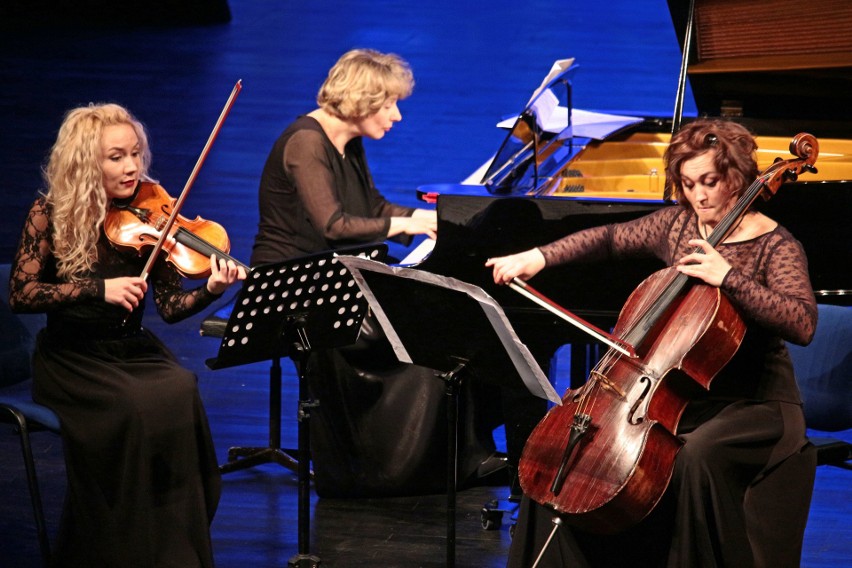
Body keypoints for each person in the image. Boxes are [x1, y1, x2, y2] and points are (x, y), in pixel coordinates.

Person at [487, 118, 818, 567]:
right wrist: (537, 257)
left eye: (710, 182)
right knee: (577, 452)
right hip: (679, 396)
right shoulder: (678, 225)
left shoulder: (776, 245)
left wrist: (730, 278)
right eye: (688, 183)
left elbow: (802, 323)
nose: (699, 196)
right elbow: (607, 239)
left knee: (694, 458)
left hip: (754, 403)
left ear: (737, 178)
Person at [250, 48, 504, 497]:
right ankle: (388, 468)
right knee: (414, 336)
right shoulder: (307, 143)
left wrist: (432, 220)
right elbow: (333, 227)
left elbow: (371, 209)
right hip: (292, 283)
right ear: (362, 102)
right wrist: (404, 224)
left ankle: (452, 457)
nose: (397, 115)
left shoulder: (347, 142)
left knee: (444, 318)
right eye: (389, 104)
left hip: (333, 272)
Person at [8, 103, 246, 567]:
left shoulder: (154, 209)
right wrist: (98, 289)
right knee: (138, 406)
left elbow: (172, 308)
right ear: (85, 162)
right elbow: (22, 293)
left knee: (180, 387)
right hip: (72, 358)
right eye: (116, 156)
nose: (133, 166)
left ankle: (175, 547)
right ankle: (122, 546)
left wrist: (212, 289)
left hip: (130, 350)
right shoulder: (49, 213)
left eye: (135, 154)